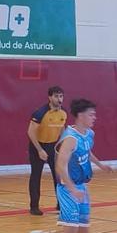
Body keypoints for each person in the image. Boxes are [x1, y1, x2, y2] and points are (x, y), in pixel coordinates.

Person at [16, 99, 113, 233]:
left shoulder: (88, 134)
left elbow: (87, 152)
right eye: (91, 114)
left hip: (80, 187)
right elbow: (60, 166)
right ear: (81, 116)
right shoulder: (69, 138)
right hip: (68, 188)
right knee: (69, 232)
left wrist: (100, 164)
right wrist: (71, 188)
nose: (94, 117)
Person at [26, 85, 66, 216]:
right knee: (36, 176)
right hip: (38, 146)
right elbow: (30, 132)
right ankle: (34, 207)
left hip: (52, 146)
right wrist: (39, 150)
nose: (59, 99)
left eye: (61, 96)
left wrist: (63, 145)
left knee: (58, 176)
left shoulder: (63, 113)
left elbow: (62, 129)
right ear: (50, 97)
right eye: (56, 96)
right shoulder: (40, 112)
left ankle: (61, 204)